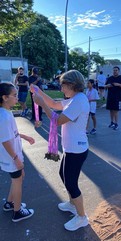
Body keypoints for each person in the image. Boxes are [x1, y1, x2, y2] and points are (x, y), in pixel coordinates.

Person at [30, 70, 89, 231]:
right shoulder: (74, 99)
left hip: (77, 150)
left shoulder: (79, 101)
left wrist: (41, 103)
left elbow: (57, 121)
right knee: (63, 175)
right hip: (71, 148)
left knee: (71, 183)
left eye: (63, 85)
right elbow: (55, 105)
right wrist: (38, 91)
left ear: (71, 84)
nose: (61, 89)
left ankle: (82, 217)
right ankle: (72, 204)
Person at [0, 82, 35, 222]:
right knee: (18, 180)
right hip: (11, 157)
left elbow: (10, 134)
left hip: (11, 156)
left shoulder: (6, 113)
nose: (17, 98)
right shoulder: (3, 117)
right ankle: (17, 211)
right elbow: (5, 141)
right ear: (4, 97)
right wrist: (16, 158)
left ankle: (10, 203)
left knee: (17, 180)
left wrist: (24, 136)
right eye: (14, 95)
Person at [105, 66, 121, 130]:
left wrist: (119, 84)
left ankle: (116, 124)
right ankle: (112, 122)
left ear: (118, 71)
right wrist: (107, 86)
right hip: (110, 97)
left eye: (116, 70)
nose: (115, 71)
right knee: (111, 110)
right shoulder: (110, 78)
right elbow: (105, 86)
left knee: (116, 111)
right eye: (114, 70)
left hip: (118, 97)